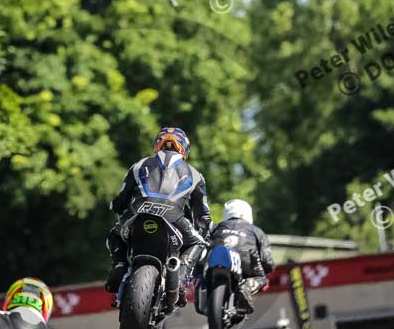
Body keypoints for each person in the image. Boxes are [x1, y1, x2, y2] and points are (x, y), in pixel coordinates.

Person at [105, 126, 211, 307]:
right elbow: (202, 214)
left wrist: (117, 208)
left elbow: (121, 201)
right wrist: (204, 231)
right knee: (200, 242)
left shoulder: (138, 165)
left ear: (157, 145)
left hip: (138, 214)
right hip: (174, 218)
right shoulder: (195, 174)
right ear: (184, 149)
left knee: (114, 235)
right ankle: (181, 277)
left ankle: (120, 265)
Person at [209, 199, 274, 313]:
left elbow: (203, 244)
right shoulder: (256, 231)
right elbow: (266, 260)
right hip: (246, 262)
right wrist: (268, 268)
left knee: (200, 273)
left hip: (215, 260)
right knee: (262, 279)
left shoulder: (215, 227)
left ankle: (200, 289)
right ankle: (247, 287)